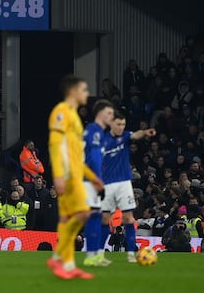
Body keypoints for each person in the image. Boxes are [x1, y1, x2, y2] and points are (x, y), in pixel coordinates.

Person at [46, 75, 105, 280]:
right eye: (84, 90)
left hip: (77, 173)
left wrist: (92, 177)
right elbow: (55, 144)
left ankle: (68, 265)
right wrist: (58, 176)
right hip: (68, 174)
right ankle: (58, 257)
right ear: (73, 91)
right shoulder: (61, 111)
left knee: (67, 218)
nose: (87, 94)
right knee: (83, 214)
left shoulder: (74, 115)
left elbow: (76, 154)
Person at [100, 110, 156, 262]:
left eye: (123, 125)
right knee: (105, 218)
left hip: (124, 182)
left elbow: (135, 135)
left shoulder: (125, 136)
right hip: (109, 183)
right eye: (118, 124)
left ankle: (131, 253)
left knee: (129, 217)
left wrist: (145, 132)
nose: (121, 127)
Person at [83, 99, 115, 267]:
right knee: (95, 216)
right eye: (109, 113)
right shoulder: (93, 130)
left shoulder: (101, 133)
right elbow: (94, 157)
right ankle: (92, 255)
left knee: (103, 218)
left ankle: (98, 253)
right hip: (92, 180)